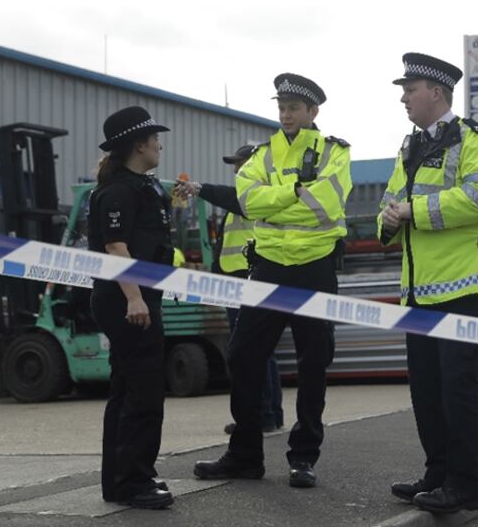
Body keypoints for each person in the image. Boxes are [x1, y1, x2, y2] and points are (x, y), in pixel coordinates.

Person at [193, 73, 350, 489]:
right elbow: (247, 201)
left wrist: (273, 201)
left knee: (313, 363)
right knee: (242, 356)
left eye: (293, 108)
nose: (286, 115)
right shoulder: (262, 154)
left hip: (315, 268)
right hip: (268, 268)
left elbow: (324, 205)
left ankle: (304, 457)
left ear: (313, 111)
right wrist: (295, 192)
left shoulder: (335, 152)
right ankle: (245, 455)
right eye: (281, 107)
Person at [379, 53, 478, 514]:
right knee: (428, 394)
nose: (404, 98)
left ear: (436, 92)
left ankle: (469, 486)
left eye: (410, 90)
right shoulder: (409, 148)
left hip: (463, 288)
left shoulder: (477, 139)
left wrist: (412, 212)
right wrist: (387, 220)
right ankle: (438, 475)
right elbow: (389, 204)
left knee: (460, 393)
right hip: (419, 292)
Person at [88, 106, 176, 509]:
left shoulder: (139, 187)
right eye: (154, 138)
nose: (159, 145)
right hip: (128, 300)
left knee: (127, 391)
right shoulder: (119, 191)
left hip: (135, 297)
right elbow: (115, 248)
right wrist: (135, 298)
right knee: (144, 394)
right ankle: (133, 481)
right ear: (139, 145)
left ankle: (121, 479)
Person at [175, 145, 284, 434]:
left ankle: (259, 416)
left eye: (240, 164)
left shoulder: (257, 195)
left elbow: (230, 198)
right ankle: (270, 414)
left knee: (250, 352)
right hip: (239, 282)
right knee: (261, 352)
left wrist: (199, 188)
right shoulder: (252, 196)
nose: (236, 170)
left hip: (246, 282)